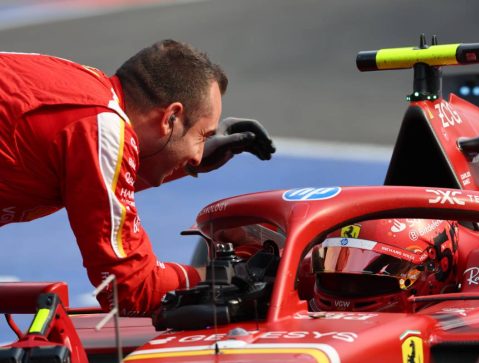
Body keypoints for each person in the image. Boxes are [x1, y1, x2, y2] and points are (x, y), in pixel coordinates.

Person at [0, 40, 275, 316]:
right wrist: (227, 274)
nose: (196, 156)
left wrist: (189, 164)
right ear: (170, 118)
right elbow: (130, 291)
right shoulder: (99, 128)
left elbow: (90, 182)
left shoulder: (86, 91)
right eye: (202, 137)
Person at [306, 218, 458, 312]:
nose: (348, 287)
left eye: (368, 282)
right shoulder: (300, 270)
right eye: (336, 270)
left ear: (432, 265)